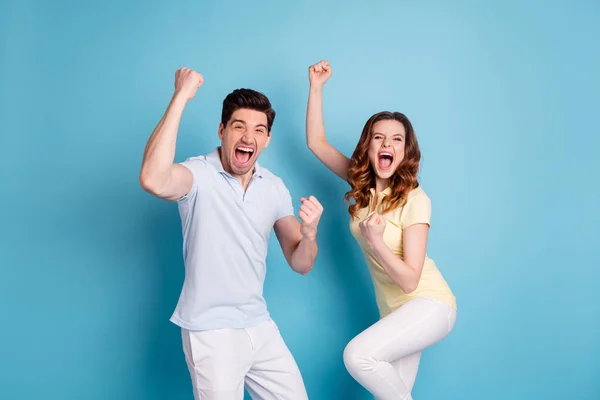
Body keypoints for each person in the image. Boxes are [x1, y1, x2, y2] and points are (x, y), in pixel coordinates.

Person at [140, 67, 323, 400]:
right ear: (222, 131)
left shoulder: (274, 188)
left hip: (259, 325)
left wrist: (309, 234)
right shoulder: (198, 174)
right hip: (211, 331)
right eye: (238, 127)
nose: (247, 137)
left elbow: (302, 262)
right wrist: (181, 96)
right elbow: (153, 178)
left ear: (267, 139)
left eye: (258, 130)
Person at [305, 60, 457, 399]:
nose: (387, 143)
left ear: (404, 152)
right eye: (378, 137)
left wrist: (377, 242)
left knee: (359, 356)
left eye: (396, 139)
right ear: (369, 147)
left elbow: (410, 281)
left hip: (429, 305)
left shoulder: (415, 199)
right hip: (397, 312)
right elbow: (316, 142)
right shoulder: (361, 185)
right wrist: (316, 88)